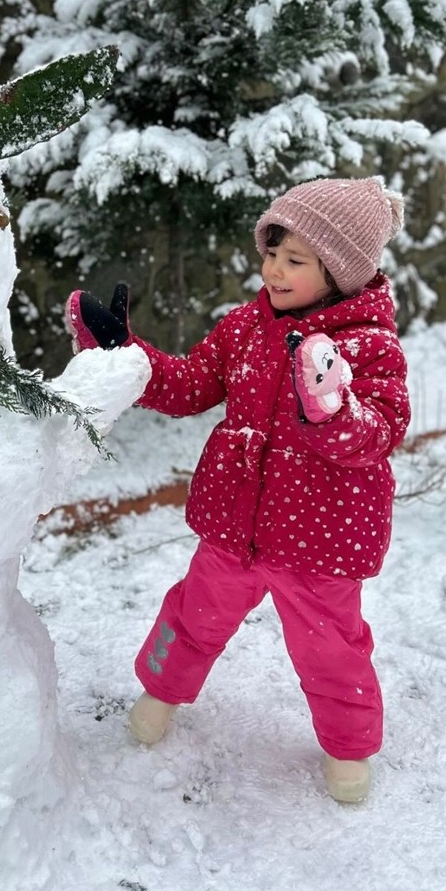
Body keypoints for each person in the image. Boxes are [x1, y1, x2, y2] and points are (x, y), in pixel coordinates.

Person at [65, 176, 411, 804]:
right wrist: (125, 355)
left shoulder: (369, 346)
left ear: (339, 271)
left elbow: (380, 432)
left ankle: (349, 749)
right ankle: (160, 694)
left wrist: (332, 410)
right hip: (235, 526)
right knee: (194, 616)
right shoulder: (247, 327)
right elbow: (190, 385)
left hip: (320, 541)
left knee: (331, 650)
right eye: (271, 252)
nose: (274, 269)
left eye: (294, 260)